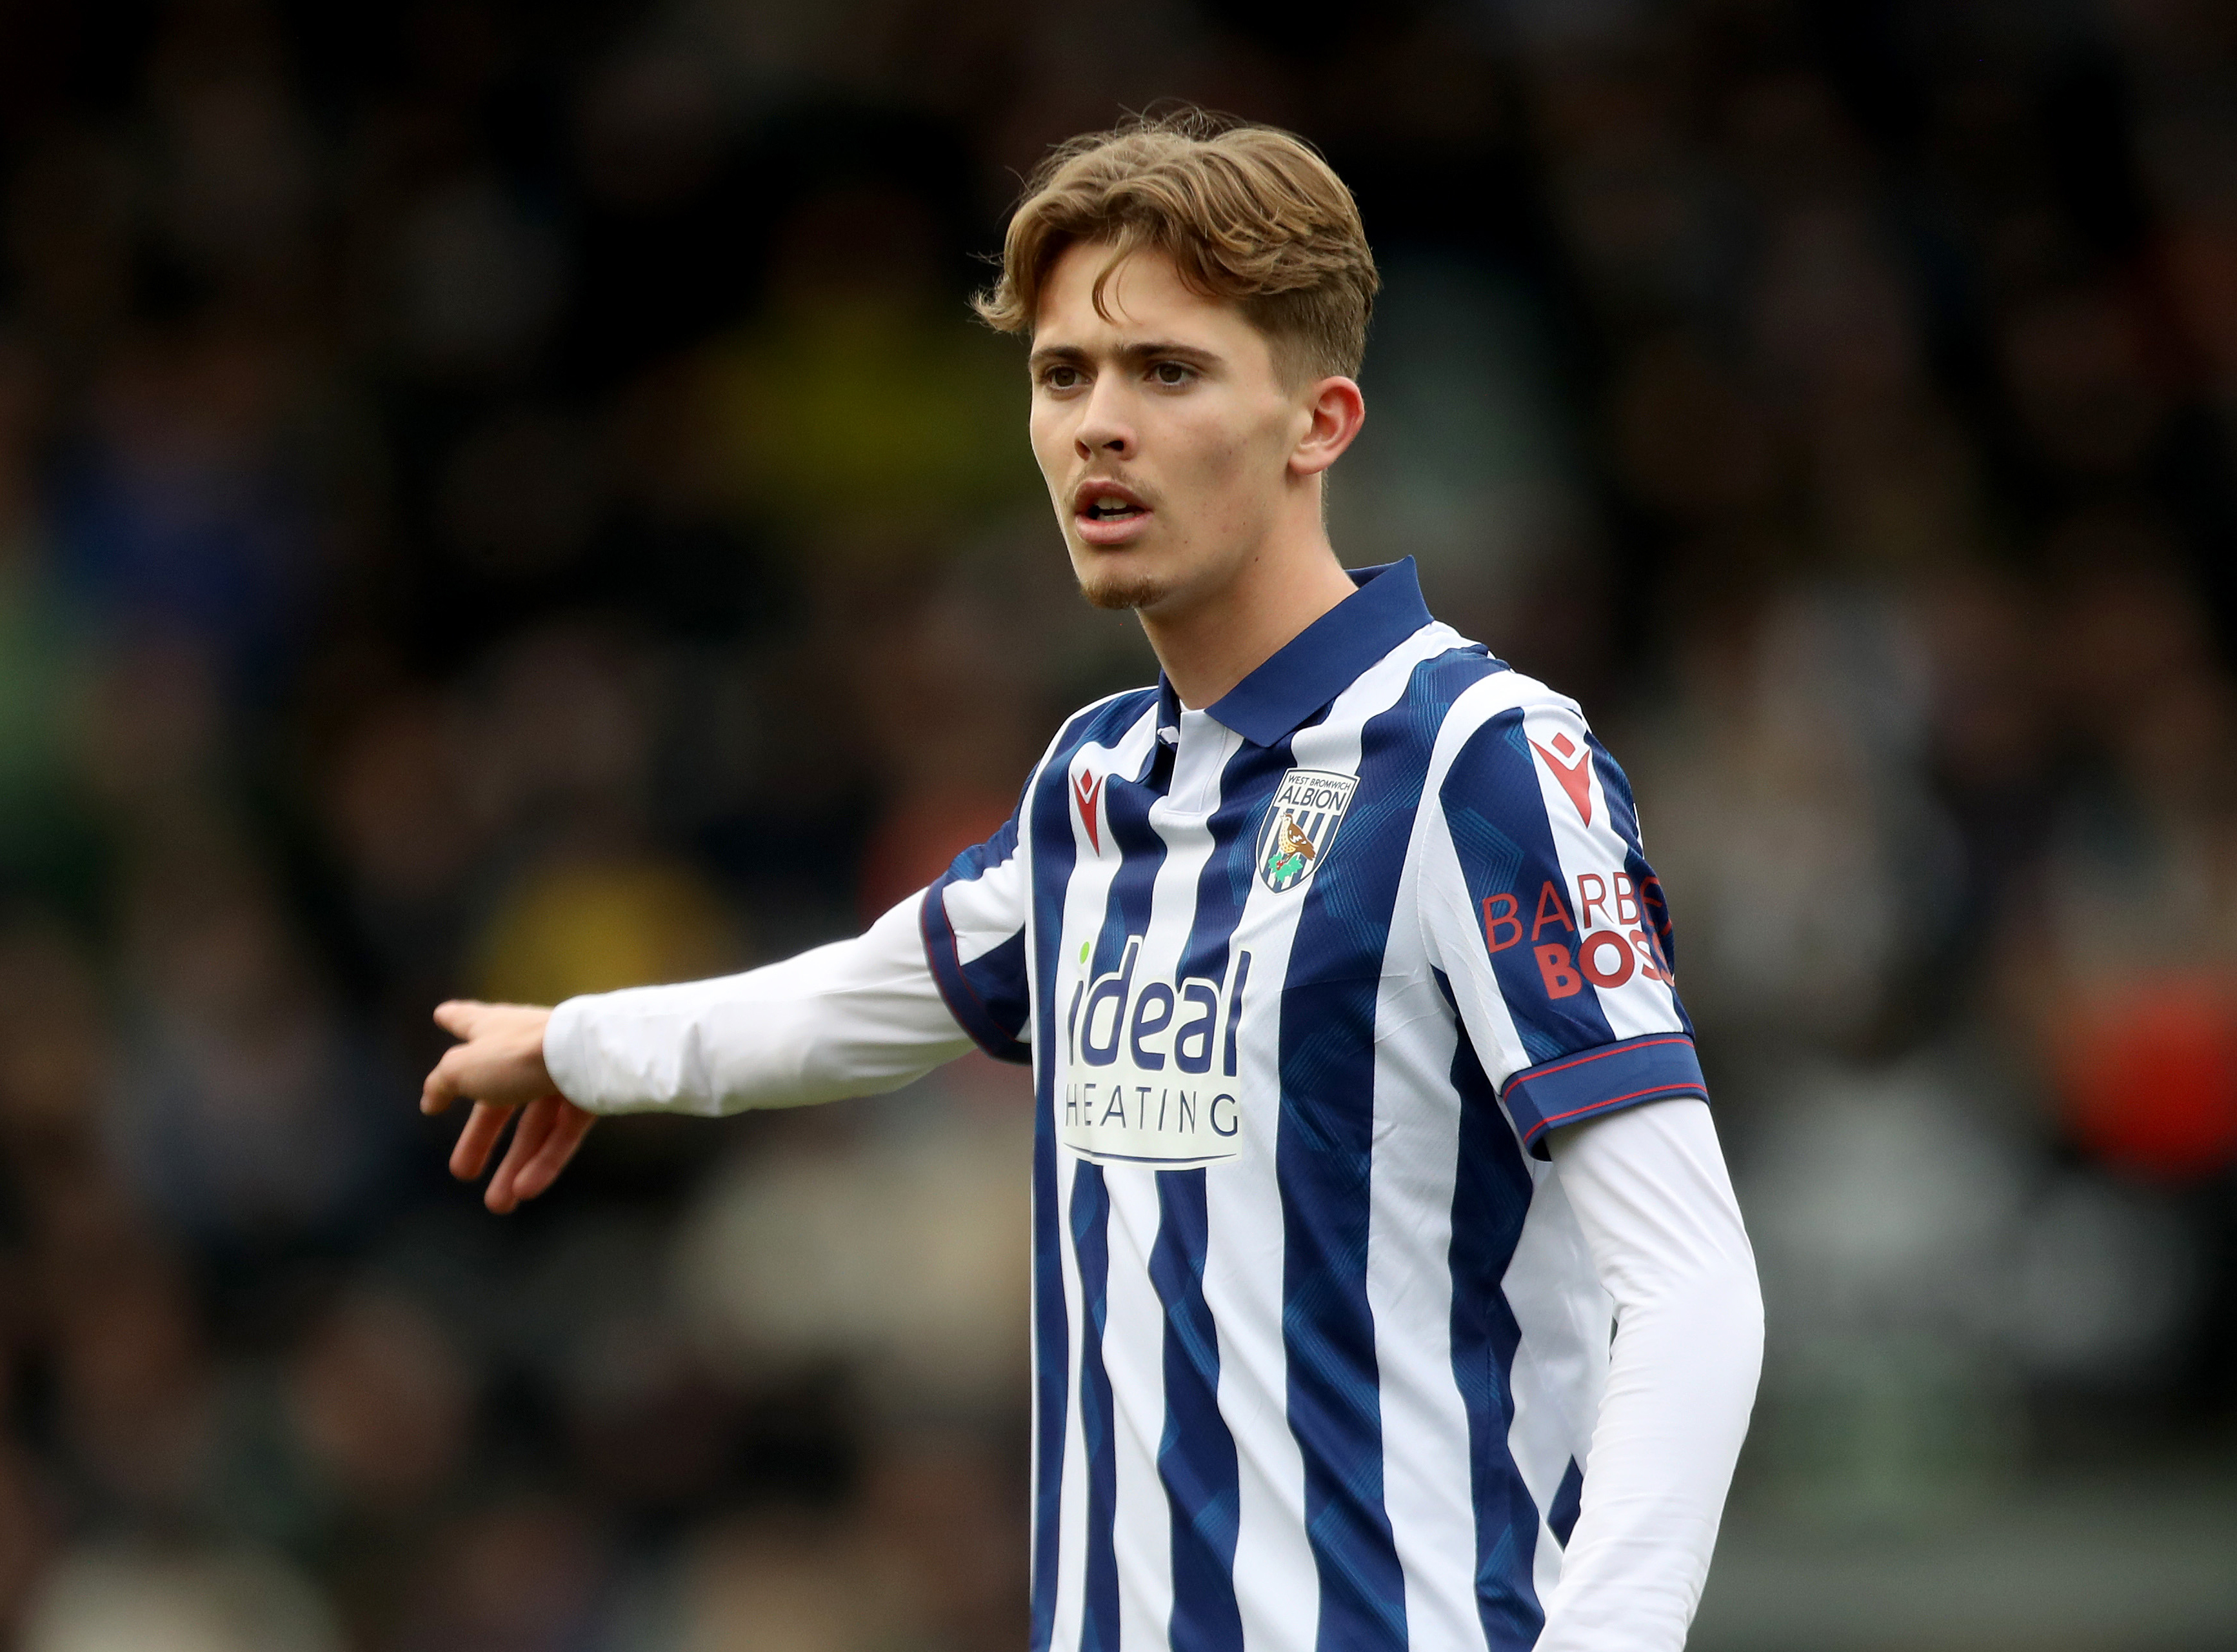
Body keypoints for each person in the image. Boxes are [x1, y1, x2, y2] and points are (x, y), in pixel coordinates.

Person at [421, 111, 1763, 1652]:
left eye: (1167, 371)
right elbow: (882, 986)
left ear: (1319, 422)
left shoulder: (1479, 758)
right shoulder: (1098, 783)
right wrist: (589, 1044)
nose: (1096, 426)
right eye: (1065, 376)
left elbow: (1692, 1292)